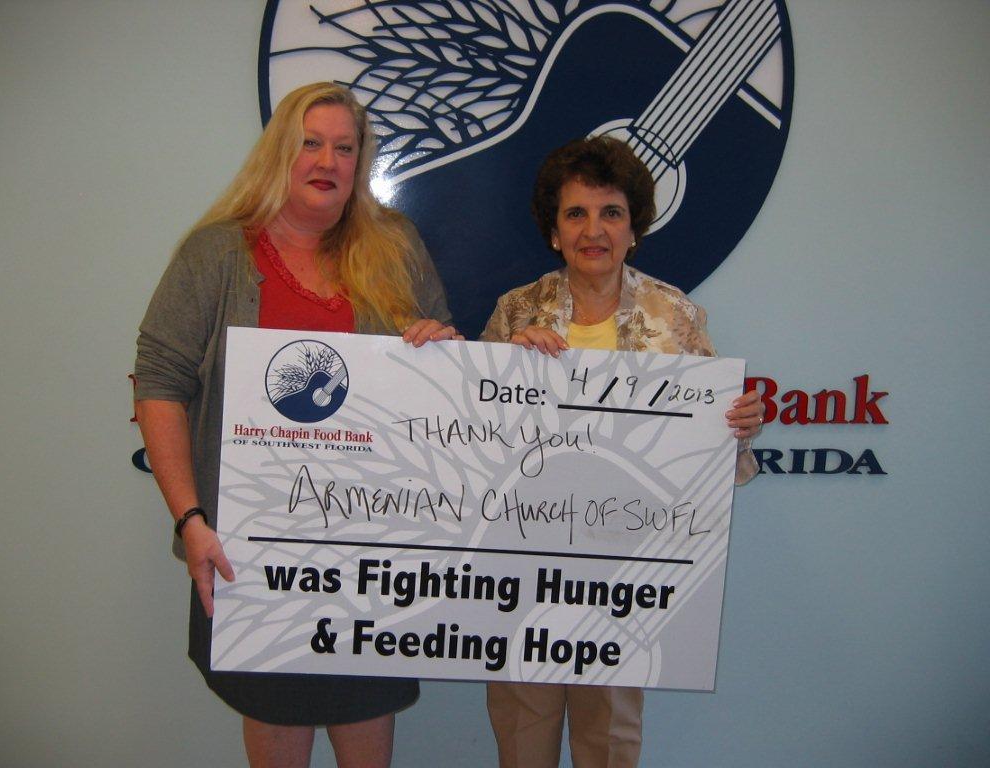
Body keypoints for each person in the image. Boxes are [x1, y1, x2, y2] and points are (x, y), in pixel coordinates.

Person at [134, 82, 458, 768]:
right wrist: (191, 519)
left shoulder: (395, 246)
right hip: (249, 548)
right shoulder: (217, 255)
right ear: (280, 151)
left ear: (361, 163)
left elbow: (439, 381)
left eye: (345, 147)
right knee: (275, 717)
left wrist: (441, 348)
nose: (328, 161)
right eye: (311, 143)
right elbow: (160, 383)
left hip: (372, 550)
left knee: (366, 712)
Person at [480, 135, 764, 768]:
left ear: (633, 228)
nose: (593, 230)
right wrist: (503, 370)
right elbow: (467, 441)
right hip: (522, 568)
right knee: (522, 735)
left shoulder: (674, 316)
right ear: (553, 231)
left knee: (609, 741)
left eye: (611, 212)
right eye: (575, 213)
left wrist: (741, 425)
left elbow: (714, 450)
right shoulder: (515, 312)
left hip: (626, 572)